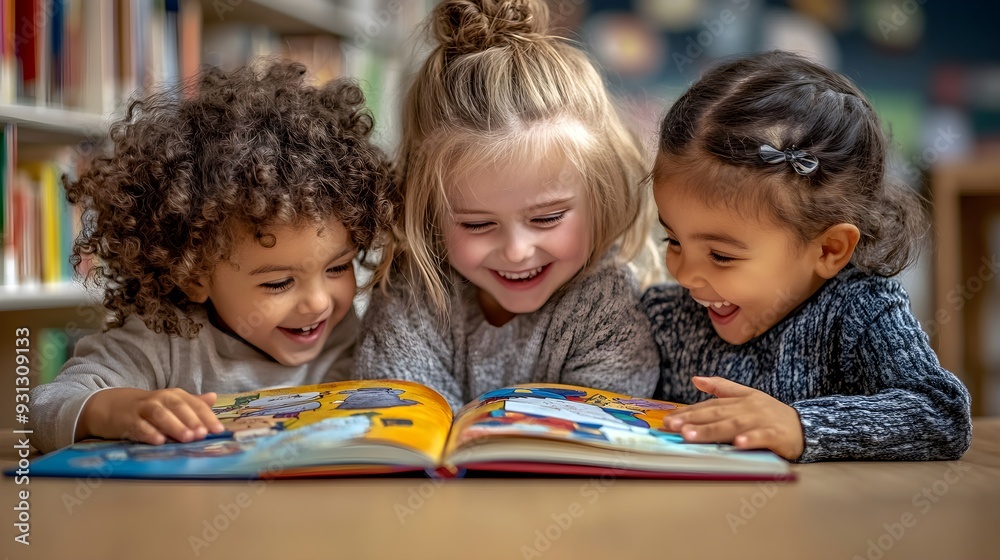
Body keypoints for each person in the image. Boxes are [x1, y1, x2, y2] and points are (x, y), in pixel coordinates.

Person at [29, 60, 396, 453]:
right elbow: (44, 408)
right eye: (279, 282)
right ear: (194, 275)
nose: (319, 302)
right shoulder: (166, 345)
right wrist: (115, 409)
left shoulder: (346, 335)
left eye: (338, 267)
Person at [643, 50, 972, 462]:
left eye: (721, 256)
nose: (685, 275)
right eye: (672, 241)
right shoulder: (664, 316)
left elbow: (942, 415)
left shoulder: (860, 312)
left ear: (829, 249)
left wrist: (801, 426)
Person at [355, 0, 659, 410]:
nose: (517, 252)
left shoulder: (606, 306)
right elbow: (396, 421)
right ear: (429, 214)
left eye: (547, 218)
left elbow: (602, 435)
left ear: (603, 198)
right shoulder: (411, 293)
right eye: (477, 224)